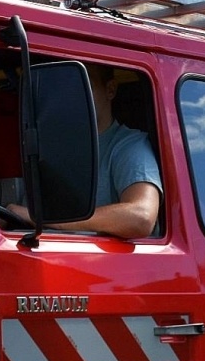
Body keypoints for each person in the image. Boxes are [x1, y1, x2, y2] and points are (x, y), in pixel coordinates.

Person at [11, 63, 162, 239]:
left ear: (110, 90)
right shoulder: (51, 149)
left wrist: (41, 219)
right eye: (65, 86)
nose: (71, 93)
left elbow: (141, 217)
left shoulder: (129, 146)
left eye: (82, 83)